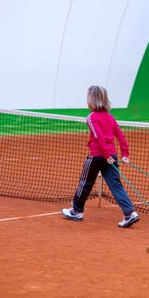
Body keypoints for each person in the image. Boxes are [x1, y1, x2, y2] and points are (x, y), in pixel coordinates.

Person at [61, 85, 139, 228]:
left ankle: (76, 211)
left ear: (92, 99)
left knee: (85, 183)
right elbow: (120, 136)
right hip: (111, 156)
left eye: (87, 98)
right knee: (116, 185)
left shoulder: (91, 117)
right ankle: (130, 213)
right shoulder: (110, 117)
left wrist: (105, 154)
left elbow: (98, 137)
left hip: (97, 156)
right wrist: (125, 154)